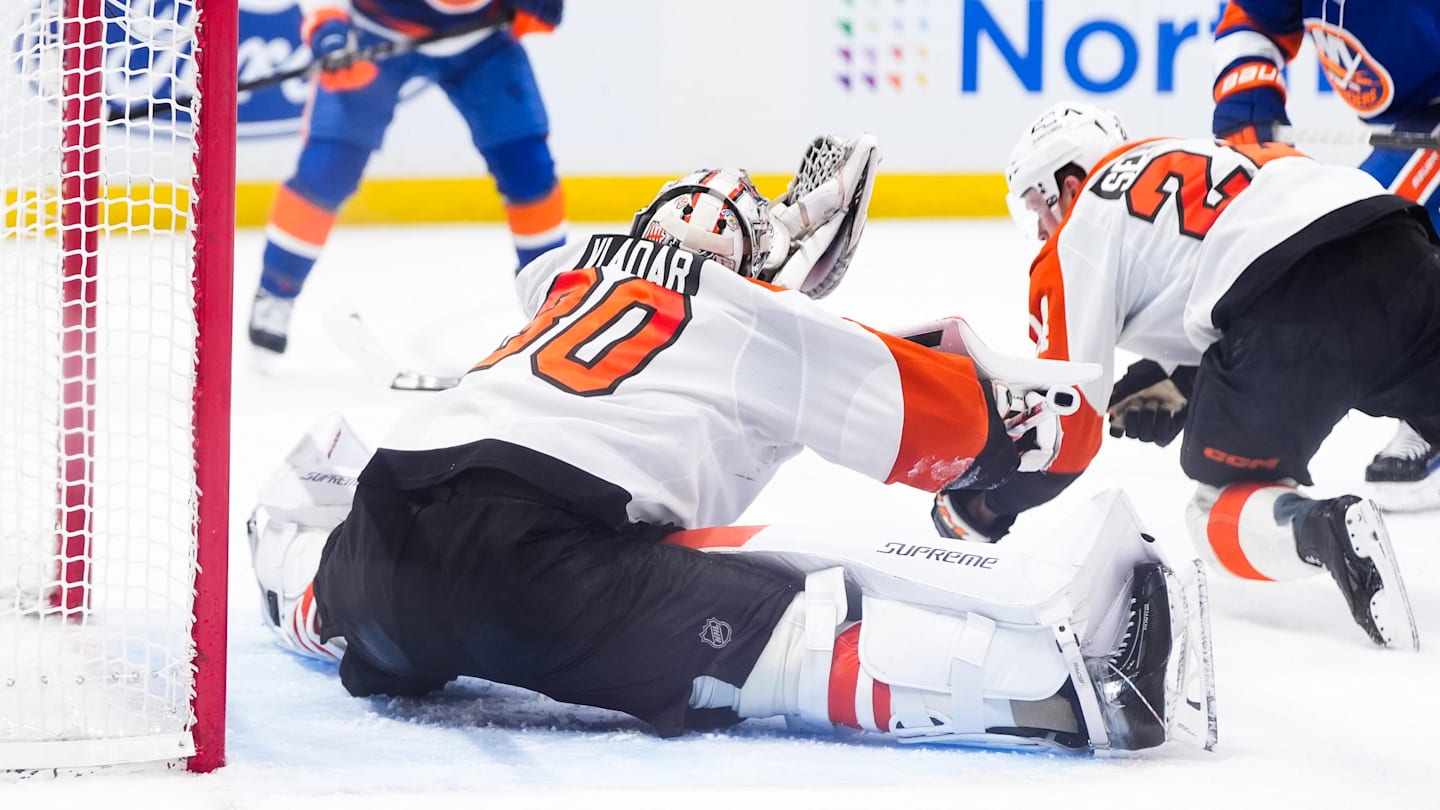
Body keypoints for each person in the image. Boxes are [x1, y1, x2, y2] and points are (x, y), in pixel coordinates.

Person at [244, 137, 1217, 754]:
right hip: (533, 575)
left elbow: (673, 267)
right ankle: (1064, 689)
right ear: (757, 258)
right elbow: (970, 432)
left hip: (379, 532)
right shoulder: (764, 319)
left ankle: (295, 566)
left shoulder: (564, 276)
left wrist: (782, 234)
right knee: (786, 610)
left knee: (375, 584)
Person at [933, 102, 1424, 650]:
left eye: (1036, 205)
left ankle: (1324, 530)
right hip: (1396, 241)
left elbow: (1065, 438)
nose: (1042, 227)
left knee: (1214, 508)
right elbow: (1285, 230)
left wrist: (984, 503)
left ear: (1069, 185)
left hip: (1287, 312)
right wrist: (1189, 382)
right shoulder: (1205, 155)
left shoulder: (1078, 232)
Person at [1210, 0, 1440, 508]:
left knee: (1388, 238)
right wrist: (1249, 91)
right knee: (1360, 235)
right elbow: (1251, 17)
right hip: (1414, 117)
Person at [248, 0, 567, 356]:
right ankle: (276, 290)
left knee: (528, 168)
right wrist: (328, 25)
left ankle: (556, 297)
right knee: (328, 168)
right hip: (374, 30)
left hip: (483, 39)